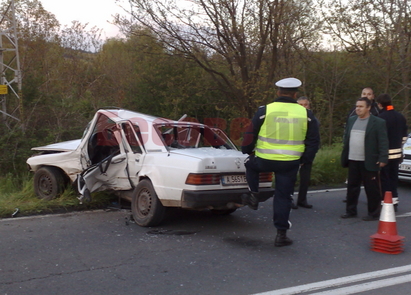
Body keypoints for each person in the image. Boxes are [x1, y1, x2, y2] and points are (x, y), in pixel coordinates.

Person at [241, 78, 320, 247]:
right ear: (295, 94)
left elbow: (250, 133)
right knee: (283, 197)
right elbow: (314, 141)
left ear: (278, 92)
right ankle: (281, 235)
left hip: (264, 160)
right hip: (290, 163)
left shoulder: (265, 110)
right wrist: (305, 160)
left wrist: (247, 149)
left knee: (249, 164)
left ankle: (253, 194)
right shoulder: (306, 114)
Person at [341, 97, 389, 221]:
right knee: (352, 187)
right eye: (357, 106)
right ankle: (350, 211)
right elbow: (346, 138)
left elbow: (383, 142)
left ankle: (373, 213)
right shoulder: (351, 120)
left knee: (371, 188)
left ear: (369, 108)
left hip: (369, 161)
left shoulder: (378, 122)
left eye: (361, 106)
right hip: (353, 159)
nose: (358, 109)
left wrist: (383, 158)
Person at [376, 94, 408, 212]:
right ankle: (394, 202)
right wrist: (399, 145)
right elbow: (405, 135)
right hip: (397, 153)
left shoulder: (381, 118)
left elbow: (379, 138)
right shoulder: (400, 116)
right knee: (394, 178)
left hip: (385, 155)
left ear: (380, 104)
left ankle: (385, 202)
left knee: (384, 179)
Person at [290, 96, 320, 209]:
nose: (303, 107)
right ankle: (290, 199)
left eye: (305, 104)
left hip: (308, 152)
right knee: (291, 177)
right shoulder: (292, 119)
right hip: (294, 152)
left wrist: (308, 155)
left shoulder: (313, 120)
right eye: (300, 105)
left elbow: (315, 139)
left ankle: (302, 200)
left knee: (305, 178)